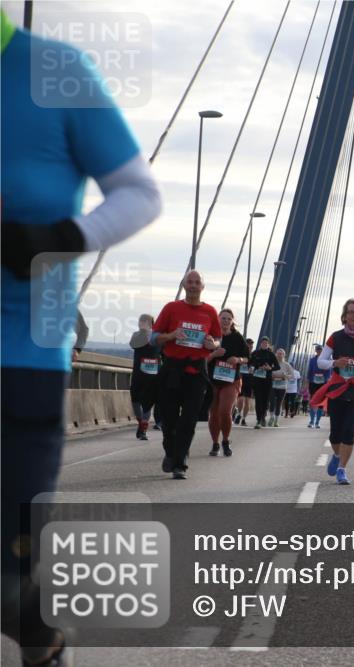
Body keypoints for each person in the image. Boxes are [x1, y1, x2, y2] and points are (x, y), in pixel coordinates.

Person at [1, 10, 162, 663]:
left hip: (21, 362)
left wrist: (58, 239)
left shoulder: (55, 71)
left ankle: (43, 641)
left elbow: (138, 192)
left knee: (8, 585)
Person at [151, 271, 222, 479]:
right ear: (183, 285)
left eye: (197, 282)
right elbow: (154, 338)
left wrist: (213, 345)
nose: (193, 285)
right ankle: (171, 452)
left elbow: (217, 338)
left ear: (203, 286)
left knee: (189, 419)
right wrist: (172, 335)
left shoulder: (209, 311)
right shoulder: (171, 308)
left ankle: (179, 463)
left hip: (197, 371)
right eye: (189, 282)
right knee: (169, 419)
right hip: (172, 369)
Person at [310, 299, 354, 485]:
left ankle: (342, 469)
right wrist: (335, 363)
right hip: (337, 389)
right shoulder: (336, 337)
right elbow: (321, 362)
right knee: (335, 433)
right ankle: (336, 454)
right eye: (352, 312)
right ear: (345, 316)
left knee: (349, 430)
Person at [206, 308, 249, 457]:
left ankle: (225, 440)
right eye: (223, 318)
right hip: (212, 380)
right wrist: (214, 354)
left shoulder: (237, 337)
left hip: (231, 380)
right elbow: (203, 360)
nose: (225, 321)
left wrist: (238, 360)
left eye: (228, 319)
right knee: (214, 414)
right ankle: (215, 443)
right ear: (217, 319)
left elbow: (247, 358)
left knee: (225, 411)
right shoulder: (211, 336)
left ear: (232, 322)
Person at [129, 314, 161, 441]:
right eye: (140, 320)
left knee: (148, 403)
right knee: (135, 400)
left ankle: (143, 428)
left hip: (153, 376)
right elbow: (133, 344)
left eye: (145, 321)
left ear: (151, 323)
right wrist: (145, 333)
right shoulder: (136, 335)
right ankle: (141, 422)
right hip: (138, 374)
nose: (142, 322)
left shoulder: (159, 337)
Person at [248, 337, 279, 429]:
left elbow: (277, 367)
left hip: (267, 380)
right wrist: (256, 367)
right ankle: (258, 419)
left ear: (268, 345)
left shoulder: (271, 354)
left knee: (265, 400)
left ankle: (263, 416)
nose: (264, 344)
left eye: (266, 343)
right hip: (257, 380)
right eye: (263, 343)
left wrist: (270, 368)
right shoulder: (255, 353)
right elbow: (249, 363)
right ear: (260, 344)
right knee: (258, 399)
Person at [306, 343, 330, 428]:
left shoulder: (326, 360)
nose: (319, 351)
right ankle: (312, 421)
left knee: (321, 403)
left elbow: (329, 371)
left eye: (320, 350)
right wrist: (308, 381)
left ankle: (317, 422)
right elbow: (309, 371)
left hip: (323, 383)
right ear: (316, 351)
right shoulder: (312, 360)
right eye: (317, 350)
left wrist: (325, 378)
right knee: (313, 401)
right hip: (313, 382)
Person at [269, 348, 294, 427]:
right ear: (276, 354)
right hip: (273, 385)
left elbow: (292, 375)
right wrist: (271, 376)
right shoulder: (272, 363)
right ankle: (271, 417)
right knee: (272, 402)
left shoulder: (287, 365)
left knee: (279, 403)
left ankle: (276, 420)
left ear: (284, 355)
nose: (279, 355)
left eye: (281, 354)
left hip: (282, 386)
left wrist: (285, 376)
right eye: (278, 353)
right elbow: (267, 372)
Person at [235, 337, 254, 426]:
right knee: (241, 399)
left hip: (250, 380)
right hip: (240, 377)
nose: (249, 347)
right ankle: (238, 414)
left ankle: (243, 419)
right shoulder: (240, 354)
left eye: (251, 345)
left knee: (247, 401)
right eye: (248, 345)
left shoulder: (254, 356)